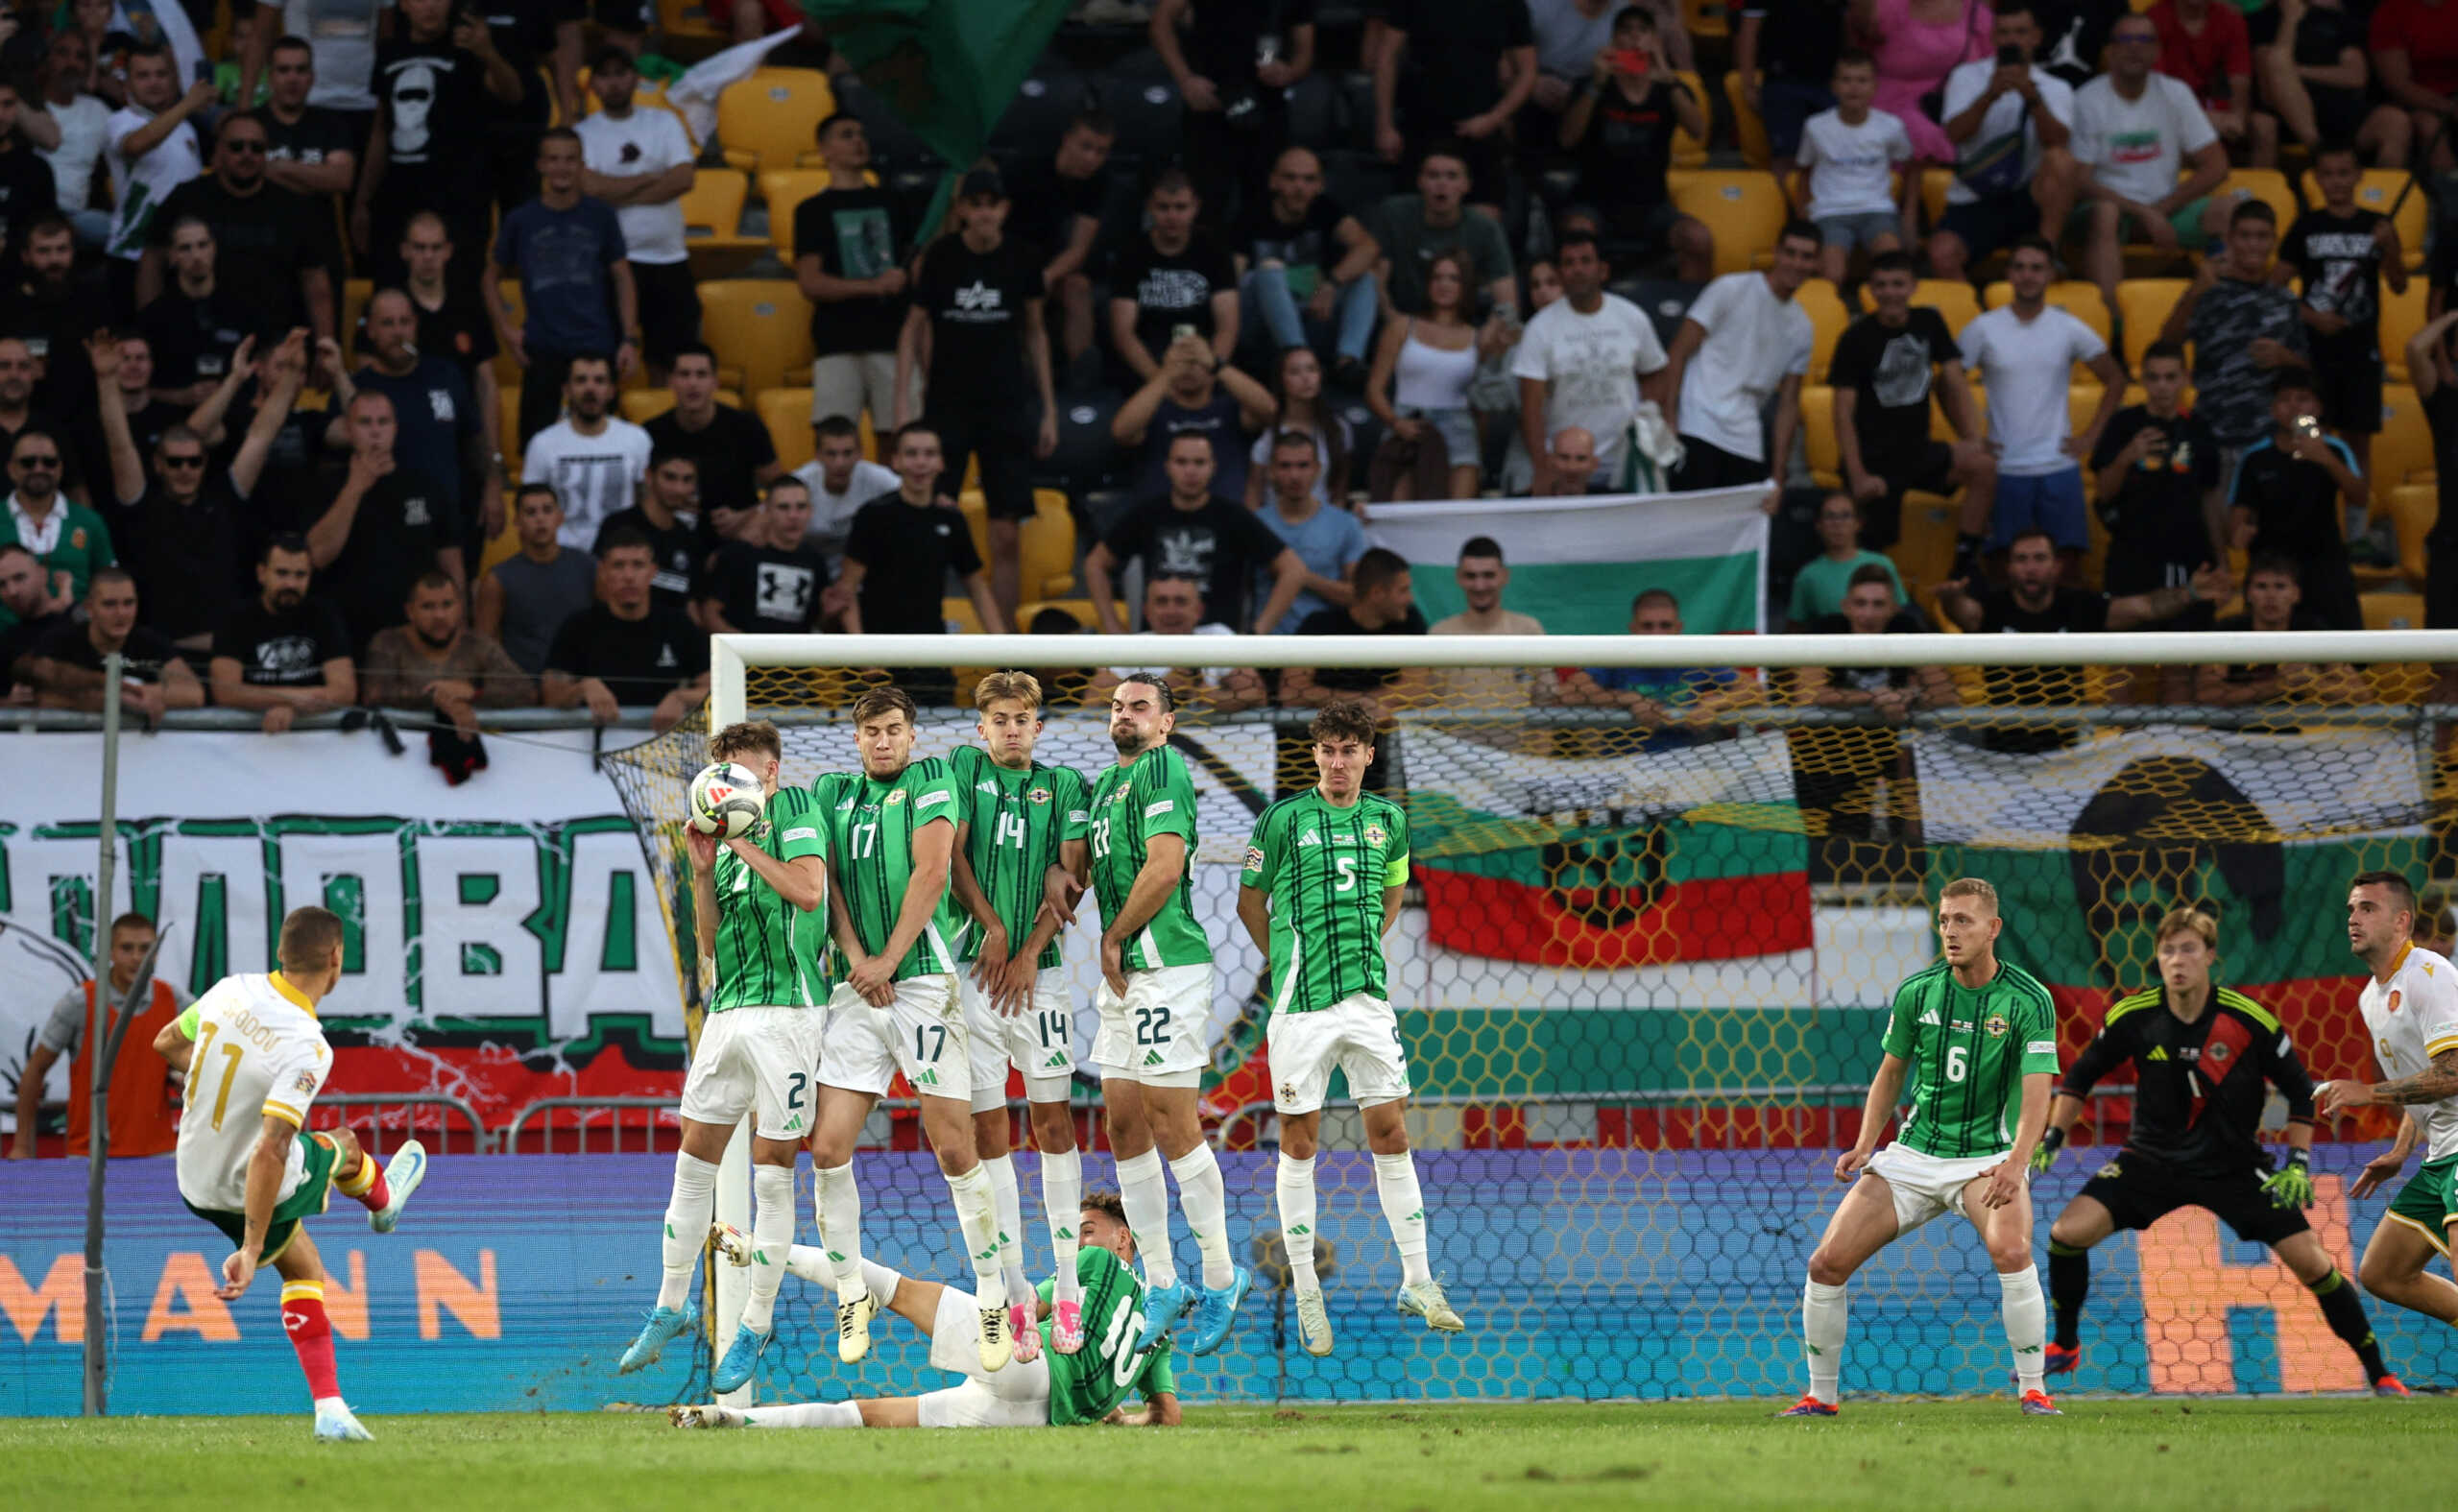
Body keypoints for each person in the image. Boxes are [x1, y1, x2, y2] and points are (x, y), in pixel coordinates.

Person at [2035, 905, 2402, 1392]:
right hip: (2151, 1162)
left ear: (2210, 955)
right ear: (2158, 959)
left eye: (2188, 949)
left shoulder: (2246, 1019)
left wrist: (2296, 1162)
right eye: (2168, 950)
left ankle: (2381, 1373)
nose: (2177, 959)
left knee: (2314, 1264)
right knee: (2065, 1233)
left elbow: (2298, 1092)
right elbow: (2079, 1077)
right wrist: (2055, 1136)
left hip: (2235, 1167)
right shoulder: (2135, 1015)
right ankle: (2066, 1343)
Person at [796, 685, 1021, 1371]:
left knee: (954, 1147)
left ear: (912, 735)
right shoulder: (832, 792)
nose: (884, 740)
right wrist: (860, 960)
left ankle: (991, 1296)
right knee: (828, 1144)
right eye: (872, 731)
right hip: (858, 986)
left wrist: (889, 957)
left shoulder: (932, 777)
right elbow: (825, 881)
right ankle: (850, 1289)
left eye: (894, 728)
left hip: (920, 983)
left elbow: (932, 870)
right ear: (857, 738)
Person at [1237, 699, 1463, 1358]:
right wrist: (1282, 960)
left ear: (1369, 755)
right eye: (1328, 750)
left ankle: (1418, 1279)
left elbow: (1393, 893)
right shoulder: (1283, 819)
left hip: (1366, 999)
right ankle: (1306, 1285)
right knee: (1300, 1142)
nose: (1338, 762)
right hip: (1299, 1006)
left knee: (1390, 1130)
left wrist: (1362, 942)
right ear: (1316, 755)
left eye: (1350, 750)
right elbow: (1251, 899)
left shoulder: (1389, 820)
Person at [1783, 877, 2060, 1417]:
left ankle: (2034, 1390)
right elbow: (1891, 1072)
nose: (1950, 932)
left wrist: (2016, 1163)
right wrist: (1866, 1144)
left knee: (2013, 1251)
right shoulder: (1919, 991)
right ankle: (1821, 1398)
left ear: (1993, 928)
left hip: (1984, 1159)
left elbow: (2037, 1094)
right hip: (1913, 1156)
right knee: (1826, 1263)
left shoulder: (2029, 999)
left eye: (1963, 921)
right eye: (1944, 920)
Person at [149, 905, 427, 1440]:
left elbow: (167, 1044)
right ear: (336, 959)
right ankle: (383, 1200)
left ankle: (331, 1409)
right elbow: (271, 1151)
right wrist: (251, 1248)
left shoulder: (230, 990)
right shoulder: (307, 1043)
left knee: (305, 1262)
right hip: (242, 1185)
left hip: (190, 1174)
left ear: (280, 951)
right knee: (342, 1147)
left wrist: (216, 1085)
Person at [616, 720, 827, 1387]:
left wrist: (739, 840)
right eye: (722, 773)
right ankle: (670, 1304)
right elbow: (708, 941)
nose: (729, 784)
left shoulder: (794, 810)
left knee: (771, 1171)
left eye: (742, 771)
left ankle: (756, 1324)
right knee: (692, 1159)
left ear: (771, 771)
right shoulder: (722, 842)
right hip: (728, 1009)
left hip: (790, 1013)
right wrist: (704, 871)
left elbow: (810, 891)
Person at [674, 1191, 1178, 1430]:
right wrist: (1115, 1414)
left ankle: (757, 1248)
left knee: (901, 1290)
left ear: (1123, 1237)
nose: (1079, 1237)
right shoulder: (1160, 1328)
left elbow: (1032, 1308)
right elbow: (1166, 1417)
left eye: (1089, 1228)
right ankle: (731, 1419)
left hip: (1029, 1370)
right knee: (871, 1417)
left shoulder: (1089, 1263)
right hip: (1039, 1419)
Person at [1083, 674, 1251, 1356]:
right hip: (1125, 978)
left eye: (1140, 706)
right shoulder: (1104, 787)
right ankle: (1161, 1279)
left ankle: (1219, 1275)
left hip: (1166, 966)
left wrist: (1114, 934)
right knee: (1122, 1121)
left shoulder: (1164, 769)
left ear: (1167, 722)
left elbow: (1164, 865)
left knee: (1170, 1118)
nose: (1126, 715)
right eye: (1118, 706)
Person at [942, 671, 1096, 1350]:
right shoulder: (963, 767)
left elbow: (1073, 877)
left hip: (1041, 980)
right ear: (982, 727)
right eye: (998, 718)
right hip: (973, 974)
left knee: (1053, 1122)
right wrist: (992, 930)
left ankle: (1066, 1287)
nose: (1010, 728)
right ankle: (1011, 1292)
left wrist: (1029, 948)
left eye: (1022, 718)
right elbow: (949, 857)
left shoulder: (1066, 786)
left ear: (1039, 726)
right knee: (986, 1131)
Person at [895, 168, 1056, 626]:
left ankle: (1004, 653)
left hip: (1006, 406)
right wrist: (904, 408)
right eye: (976, 204)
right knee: (931, 526)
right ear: (961, 209)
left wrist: (1049, 411)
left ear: (1004, 209)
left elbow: (1037, 334)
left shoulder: (1024, 257)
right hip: (947, 406)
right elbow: (911, 331)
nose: (985, 213)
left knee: (1005, 533)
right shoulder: (941, 257)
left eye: (993, 203)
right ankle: (922, 633)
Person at [2317, 874, 2458, 1341]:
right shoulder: (2369, 998)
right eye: (2351, 909)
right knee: (2383, 1272)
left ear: (2402, 920)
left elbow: (2454, 1073)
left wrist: (2369, 1093)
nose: (2353, 919)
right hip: (2442, 1152)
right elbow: (2423, 1078)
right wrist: (2401, 1150)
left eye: (2368, 909)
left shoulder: (2428, 974)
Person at [100, 331, 299, 652]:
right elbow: (119, 444)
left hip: (223, 652)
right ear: (158, 464)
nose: (185, 470)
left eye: (194, 461)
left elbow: (263, 433)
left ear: (205, 462)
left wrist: (291, 374)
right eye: (175, 462)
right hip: (160, 652)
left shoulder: (224, 498)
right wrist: (107, 379)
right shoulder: (142, 503)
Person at [1955, 236, 2123, 570]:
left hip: (2058, 466)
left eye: (2036, 268)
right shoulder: (1982, 329)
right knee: (2005, 570)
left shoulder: (2069, 328)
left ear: (2050, 275)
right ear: (2008, 274)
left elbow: (2116, 380)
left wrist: (2091, 437)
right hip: (2005, 469)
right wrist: (1971, 437)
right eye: (2019, 267)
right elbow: (1947, 382)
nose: (2027, 275)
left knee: (2068, 568)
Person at [1827, 251, 1990, 552]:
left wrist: (1973, 438)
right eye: (1882, 285)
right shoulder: (1854, 338)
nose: (1890, 292)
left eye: (1898, 284)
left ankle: (1963, 562)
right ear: (1870, 290)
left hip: (1919, 453)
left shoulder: (1929, 321)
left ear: (1913, 286)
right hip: (1874, 460)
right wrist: (1858, 474)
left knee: (1984, 465)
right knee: (1878, 550)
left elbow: (1954, 380)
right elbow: (1842, 413)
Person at [2070, 14, 2234, 313]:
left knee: (2230, 210)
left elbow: (2217, 165)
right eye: (2125, 40)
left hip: (2165, 209)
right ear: (2110, 51)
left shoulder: (2176, 93)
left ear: (2158, 51)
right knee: (2106, 214)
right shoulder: (2087, 99)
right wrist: (2142, 212)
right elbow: (2079, 181)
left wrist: (2161, 209)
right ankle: (2114, 326)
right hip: (2110, 212)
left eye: (2144, 40)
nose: (2135, 48)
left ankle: (2224, 310)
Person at [352, 0, 522, 288]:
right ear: (403, 5)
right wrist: (363, 200)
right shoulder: (389, 52)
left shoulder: (469, 47)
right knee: (392, 285)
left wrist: (489, 54)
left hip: (459, 197)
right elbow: (381, 129)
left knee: (460, 290)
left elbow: (513, 95)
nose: (429, 6)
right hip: (399, 194)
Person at [488, 129, 638, 447]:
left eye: (570, 159)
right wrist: (507, 329)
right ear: (540, 164)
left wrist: (628, 338)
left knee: (601, 443)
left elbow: (623, 277)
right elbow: (489, 277)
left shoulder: (601, 216)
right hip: (542, 347)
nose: (562, 167)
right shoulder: (521, 219)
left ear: (582, 164)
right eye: (553, 159)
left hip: (596, 344)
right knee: (535, 445)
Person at [835, 423, 1007, 697]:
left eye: (929, 454)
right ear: (896, 461)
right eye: (912, 453)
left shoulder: (951, 518)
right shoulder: (873, 515)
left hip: (931, 653)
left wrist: (1005, 653)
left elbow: (976, 585)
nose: (920, 462)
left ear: (940, 462)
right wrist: (865, 656)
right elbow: (847, 588)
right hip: (878, 656)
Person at [1082, 432, 1306, 637]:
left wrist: (1256, 634)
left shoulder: (1233, 515)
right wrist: (1113, 629)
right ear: (1168, 466)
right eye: (1181, 462)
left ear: (1213, 466)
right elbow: (1095, 564)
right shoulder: (1147, 513)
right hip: (1154, 648)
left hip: (1219, 651)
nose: (1190, 471)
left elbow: (1293, 569)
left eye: (1199, 462)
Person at [141, 113, 334, 345]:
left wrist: (325, 343)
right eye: (236, 147)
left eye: (257, 147)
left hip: (270, 346)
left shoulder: (294, 208)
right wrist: (147, 331)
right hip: (192, 339)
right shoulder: (185, 199)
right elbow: (152, 262)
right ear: (219, 152)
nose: (247, 154)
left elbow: (315, 282)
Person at [9, 912, 186, 1160]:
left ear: (156, 953)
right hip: (89, 1154)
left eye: (146, 949)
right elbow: (35, 1070)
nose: (137, 957)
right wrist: (22, 1144)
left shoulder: (174, 1000)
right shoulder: (80, 1002)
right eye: (127, 948)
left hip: (158, 1153)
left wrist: (182, 1071)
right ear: (110, 952)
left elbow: (214, 1046)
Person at [1926, 0, 2079, 286]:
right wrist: (1989, 96)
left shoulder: (2055, 88)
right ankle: (1976, 323)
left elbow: (2058, 142)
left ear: (2036, 37)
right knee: (1941, 255)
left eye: (2021, 32)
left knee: (2061, 161)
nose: (2012, 40)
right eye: (2005, 32)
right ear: (1994, 37)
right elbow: (1954, 135)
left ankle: (2045, 257)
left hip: (2028, 199)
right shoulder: (1967, 77)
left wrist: (2031, 96)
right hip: (1976, 197)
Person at [1554, 7, 1712, 283]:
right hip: (1595, 203)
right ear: (1613, 40)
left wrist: (1668, 77)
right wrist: (1596, 85)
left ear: (1655, 39)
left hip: (1651, 206)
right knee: (1577, 233)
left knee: (1698, 239)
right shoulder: (1591, 84)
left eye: (1643, 30)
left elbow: (1698, 131)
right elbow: (1568, 139)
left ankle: (1689, 317)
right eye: (1626, 30)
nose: (1635, 38)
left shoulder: (1668, 87)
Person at [2280, 142, 2407, 484]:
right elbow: (2273, 291)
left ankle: (2356, 527)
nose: (2336, 182)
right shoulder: (2306, 226)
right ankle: (2310, 517)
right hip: (2312, 358)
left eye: (2344, 173)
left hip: (2361, 356)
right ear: (2316, 179)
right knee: (2307, 438)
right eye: (2328, 174)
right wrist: (2312, 317)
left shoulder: (2377, 224)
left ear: (2359, 176)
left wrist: (2390, 246)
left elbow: (2399, 285)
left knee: (2357, 444)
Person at [1662, 222, 1819, 496]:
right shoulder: (1730, 288)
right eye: (1791, 253)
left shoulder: (1803, 327)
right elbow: (1678, 352)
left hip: (1746, 438)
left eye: (1806, 256)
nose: (1797, 263)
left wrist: (1778, 475)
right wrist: (1670, 418)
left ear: (1816, 263)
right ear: (1776, 253)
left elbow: (1789, 403)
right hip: (1697, 423)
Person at [1512, 231, 1670, 496]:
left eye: (1586, 261)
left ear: (1603, 270)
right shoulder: (1540, 328)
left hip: (1625, 460)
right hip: (1566, 464)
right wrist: (1543, 466)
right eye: (1569, 263)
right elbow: (1531, 405)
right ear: (1561, 273)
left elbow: (1654, 372)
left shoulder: (1632, 317)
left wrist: (1648, 422)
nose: (1578, 269)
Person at [573, 47, 696, 382]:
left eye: (621, 73)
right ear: (593, 84)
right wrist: (649, 177)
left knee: (670, 362)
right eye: (605, 74)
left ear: (635, 79)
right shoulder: (584, 133)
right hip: (612, 263)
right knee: (606, 363)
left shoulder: (664, 121)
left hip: (669, 259)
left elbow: (683, 178)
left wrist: (619, 191)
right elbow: (591, 189)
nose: (614, 83)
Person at [306, 391, 462, 653]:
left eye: (383, 422)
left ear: (395, 428)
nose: (376, 431)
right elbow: (317, 556)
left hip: (415, 635)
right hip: (345, 634)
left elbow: (451, 564)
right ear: (348, 430)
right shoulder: (323, 484)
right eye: (365, 423)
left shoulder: (426, 484)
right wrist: (355, 488)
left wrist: (459, 628)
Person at [2157, 200, 2307, 468]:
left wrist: (2285, 358)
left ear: (2274, 241)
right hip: (2212, 432)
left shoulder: (2285, 301)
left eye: (2261, 237)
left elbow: (2308, 369)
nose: (2253, 244)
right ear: (2229, 239)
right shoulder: (2208, 292)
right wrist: (2194, 292)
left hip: (2269, 438)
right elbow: (2167, 343)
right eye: (2245, 235)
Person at [349, 288, 495, 562]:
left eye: (405, 322)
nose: (398, 332)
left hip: (447, 525)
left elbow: (473, 437)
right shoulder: (358, 388)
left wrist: (493, 485)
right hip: (383, 527)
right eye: (387, 323)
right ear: (370, 331)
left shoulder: (445, 374)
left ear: (415, 325)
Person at [793, 111, 909, 435]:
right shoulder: (811, 211)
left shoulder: (894, 202)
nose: (859, 141)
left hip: (893, 341)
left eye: (861, 134)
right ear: (824, 149)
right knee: (834, 443)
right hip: (837, 342)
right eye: (846, 135)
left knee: (899, 439)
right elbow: (811, 282)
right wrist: (875, 287)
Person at [1152, 0, 1315, 229]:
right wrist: (1185, 79)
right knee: (1205, 207)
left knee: (1266, 205)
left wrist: (1289, 72)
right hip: (1210, 107)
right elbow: (1161, 22)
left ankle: (1263, 264)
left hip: (1266, 110)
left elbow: (1304, 53)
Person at [2224, 369, 2365, 630]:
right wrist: (2239, 532)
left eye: (2303, 398)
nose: (2294, 406)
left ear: (2318, 408)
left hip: (2325, 566)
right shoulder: (2255, 457)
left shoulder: (2335, 449)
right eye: (2285, 399)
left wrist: (2325, 459)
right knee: (2268, 659)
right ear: (2273, 409)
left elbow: (2359, 498)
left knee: (2341, 657)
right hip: (2272, 573)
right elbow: (2237, 519)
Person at [2090, 340, 2225, 612]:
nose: (2162, 386)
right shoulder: (2123, 424)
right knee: (2129, 647)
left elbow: (2210, 497)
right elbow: (2104, 492)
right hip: (2132, 553)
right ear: (2143, 380)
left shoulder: (2199, 428)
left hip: (2189, 553)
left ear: (2185, 379)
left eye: (2170, 377)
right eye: (2153, 377)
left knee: (2189, 646)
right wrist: (2127, 456)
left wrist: (2221, 559)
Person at [1372, 0, 1537, 215]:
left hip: (1481, 126)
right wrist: (1384, 125)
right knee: (1414, 220)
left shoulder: (1509, 4)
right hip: (1422, 123)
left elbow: (1527, 72)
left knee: (1485, 220)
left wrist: (1494, 118)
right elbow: (1387, 57)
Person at [1231, 146, 1380, 382]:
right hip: (1261, 327)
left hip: (1312, 314)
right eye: (1290, 178)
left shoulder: (1326, 210)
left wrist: (1332, 283)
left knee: (1366, 277)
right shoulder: (1250, 215)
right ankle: (1296, 360)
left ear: (1320, 185)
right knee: (1269, 268)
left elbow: (1368, 247)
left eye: (1309, 179)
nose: (1300, 187)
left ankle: (1348, 362)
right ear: (1273, 181)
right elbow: (1232, 282)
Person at [542, 529, 709, 732]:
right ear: (602, 571)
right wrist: (583, 688)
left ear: (652, 571)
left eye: (638, 565)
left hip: (664, 747)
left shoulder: (678, 624)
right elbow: (550, 694)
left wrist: (681, 698)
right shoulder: (579, 626)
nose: (628, 576)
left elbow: (716, 689)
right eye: (618, 566)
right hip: (592, 747)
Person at [1366, 249, 1487, 502]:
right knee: (1401, 514)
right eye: (1437, 277)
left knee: (1456, 520)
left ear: (1465, 286)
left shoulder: (1478, 337)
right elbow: (1374, 389)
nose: (1444, 284)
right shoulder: (1401, 327)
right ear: (1428, 284)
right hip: (1407, 423)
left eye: (1453, 278)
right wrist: (1395, 422)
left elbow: (1484, 398)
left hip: (1459, 428)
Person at [205, 534, 357, 733]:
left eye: (300, 575)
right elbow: (225, 692)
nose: (291, 584)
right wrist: (297, 700)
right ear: (261, 574)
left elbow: (345, 691)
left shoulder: (324, 616)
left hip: (314, 737)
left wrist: (290, 707)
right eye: (282, 573)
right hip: (247, 737)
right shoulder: (236, 618)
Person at [1557, 587, 1750, 740]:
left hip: (1690, 770)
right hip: (1623, 768)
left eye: (1665, 626)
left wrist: (1714, 704)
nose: (1656, 633)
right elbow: (1567, 694)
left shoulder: (1695, 658)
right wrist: (1628, 699)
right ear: (1633, 628)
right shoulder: (1617, 657)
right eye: (1647, 626)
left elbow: (1754, 690)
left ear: (1679, 628)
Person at [1002, 108, 1118, 365]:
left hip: (1049, 266)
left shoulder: (1099, 182)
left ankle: (1082, 375)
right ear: (1067, 140)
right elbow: (992, 223)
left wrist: (1046, 276)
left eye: (1101, 151)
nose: (1092, 158)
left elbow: (1079, 249)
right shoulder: (1024, 167)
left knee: (1078, 286)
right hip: (1007, 258)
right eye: (1086, 147)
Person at [102, 43, 211, 312]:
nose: (154, 82)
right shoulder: (121, 121)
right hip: (132, 252)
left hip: (182, 254)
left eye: (161, 74)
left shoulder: (186, 126)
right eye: (144, 75)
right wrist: (188, 103)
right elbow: (137, 145)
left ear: (173, 80)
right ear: (127, 85)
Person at [1790, 53, 1915, 285]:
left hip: (1878, 210)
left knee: (1892, 269)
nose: (1853, 88)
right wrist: (1803, 220)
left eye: (1861, 80)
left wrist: (1909, 217)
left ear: (1874, 86)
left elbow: (1911, 167)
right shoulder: (1816, 126)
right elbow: (1804, 172)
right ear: (1834, 86)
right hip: (1830, 212)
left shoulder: (1891, 126)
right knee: (1832, 275)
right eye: (1846, 80)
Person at [1112, 332, 1277, 505]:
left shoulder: (1230, 408)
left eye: (1196, 362)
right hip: (1162, 519)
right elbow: (1121, 432)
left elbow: (1271, 412)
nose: (1188, 369)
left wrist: (1218, 365)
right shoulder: (1152, 410)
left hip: (1226, 518)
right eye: (1182, 363)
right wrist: (1166, 374)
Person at [1107, 169, 1240, 385]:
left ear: (1195, 206)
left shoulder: (1215, 249)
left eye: (1180, 207)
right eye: (1163, 207)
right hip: (1148, 360)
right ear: (1150, 206)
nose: (1172, 216)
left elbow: (1228, 326)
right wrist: (1159, 384)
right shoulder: (1130, 253)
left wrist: (1209, 375)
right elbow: (1124, 334)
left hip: (1202, 356)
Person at [361, 569, 535, 731]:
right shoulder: (389, 642)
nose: (439, 616)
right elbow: (374, 694)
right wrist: (441, 696)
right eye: (428, 606)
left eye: (447, 605)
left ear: (460, 607)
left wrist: (474, 694)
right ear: (410, 611)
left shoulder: (477, 644)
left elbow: (525, 692)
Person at [28, 566, 206, 717]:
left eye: (129, 603)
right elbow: (40, 696)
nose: (121, 613)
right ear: (89, 609)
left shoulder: (149, 641)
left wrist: (139, 694)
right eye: (109, 604)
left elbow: (193, 692)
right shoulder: (61, 640)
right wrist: (119, 699)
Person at [2191, 554, 2366, 704]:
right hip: (2235, 732)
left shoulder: (2313, 631)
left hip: (2305, 732)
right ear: (2248, 595)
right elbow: (2207, 694)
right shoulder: (2228, 631)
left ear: (2296, 594)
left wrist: (2312, 682)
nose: (2271, 596)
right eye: (2261, 586)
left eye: (2280, 586)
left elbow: (2362, 694)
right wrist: (2278, 685)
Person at [1369, 147, 1519, 323]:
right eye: (1433, 175)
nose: (1442, 183)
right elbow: (1375, 279)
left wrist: (1494, 331)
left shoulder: (1485, 228)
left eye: (1452, 176)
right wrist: (1395, 324)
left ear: (1466, 185)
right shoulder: (1393, 213)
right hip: (1402, 321)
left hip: (1466, 328)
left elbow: (1507, 297)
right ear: (1420, 182)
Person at [1079, 573, 1266, 713]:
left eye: (1181, 602)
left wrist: (1206, 697)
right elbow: (1092, 701)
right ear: (1147, 611)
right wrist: (1160, 690)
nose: (1171, 611)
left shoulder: (1218, 637)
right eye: (1161, 602)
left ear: (1199, 610)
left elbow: (1257, 695)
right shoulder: (1130, 646)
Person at [644, 343, 780, 534]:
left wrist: (747, 516)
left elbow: (780, 489)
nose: (693, 383)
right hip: (671, 533)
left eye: (701, 375)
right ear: (670, 381)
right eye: (684, 375)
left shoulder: (747, 427)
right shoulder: (650, 433)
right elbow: (640, 496)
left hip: (737, 534)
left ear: (715, 382)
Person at [520, 352, 652, 549]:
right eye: (581, 380)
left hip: (621, 558)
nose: (590, 388)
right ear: (567, 390)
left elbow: (648, 501)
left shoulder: (637, 438)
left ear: (611, 390)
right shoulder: (542, 444)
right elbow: (529, 508)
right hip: (562, 559)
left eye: (599, 381)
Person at [1282, 548, 1431, 719]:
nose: (1410, 598)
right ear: (1377, 593)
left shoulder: (1410, 622)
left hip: (1386, 737)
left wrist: (1352, 702)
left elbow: (1415, 689)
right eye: (1403, 590)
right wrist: (1358, 702)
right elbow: (1291, 692)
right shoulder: (1319, 626)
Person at [1795, 562, 1958, 715]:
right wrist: (1875, 698)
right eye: (1860, 603)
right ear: (1845, 607)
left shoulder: (1906, 629)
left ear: (1893, 609)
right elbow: (1806, 696)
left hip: (1891, 740)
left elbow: (1946, 696)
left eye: (1878, 604)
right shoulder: (1827, 630)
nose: (1868, 614)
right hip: (1827, 740)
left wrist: (1912, 697)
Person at [2261, 0, 2413, 164]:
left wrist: (2296, 71)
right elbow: (2270, 74)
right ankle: (2318, 150)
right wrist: (2289, 21)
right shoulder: (2265, 19)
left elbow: (2356, 77)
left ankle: (2384, 188)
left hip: (2338, 107)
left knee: (2396, 122)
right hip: (2287, 114)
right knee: (2277, 62)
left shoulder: (2335, 19)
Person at [398, 211, 499, 444]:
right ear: (405, 251)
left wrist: (493, 456)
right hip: (406, 433)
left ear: (448, 251)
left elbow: (486, 384)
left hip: (462, 432)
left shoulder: (469, 307)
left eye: (435, 247)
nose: (428, 256)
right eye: (420, 247)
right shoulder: (389, 308)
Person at [477, 483, 596, 675]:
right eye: (531, 512)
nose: (540, 519)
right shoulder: (498, 579)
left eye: (547, 510)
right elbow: (485, 644)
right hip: (522, 691)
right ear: (517, 521)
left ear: (560, 517)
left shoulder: (589, 567)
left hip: (581, 686)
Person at [1255, 431, 1366, 634]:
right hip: (1265, 649)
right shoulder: (1256, 523)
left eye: (1303, 465)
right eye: (1285, 466)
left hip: (1322, 649)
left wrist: (1298, 576)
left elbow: (1358, 596)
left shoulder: (1345, 524)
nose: (1294, 475)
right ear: (1271, 471)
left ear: (1318, 469)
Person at [135, 217, 254, 404]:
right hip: (173, 419)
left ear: (214, 248)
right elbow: (136, 388)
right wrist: (180, 396)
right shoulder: (154, 317)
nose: (196, 255)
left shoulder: (244, 310)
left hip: (236, 416)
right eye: (185, 248)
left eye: (202, 245)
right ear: (172, 256)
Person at [1736, 0, 1852, 184]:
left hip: (1828, 82)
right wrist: (1748, 84)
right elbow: (1749, 32)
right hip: (1782, 81)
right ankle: (1785, 211)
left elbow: (1849, 28)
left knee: (1832, 154)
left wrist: (1847, 77)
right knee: (1785, 157)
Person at [1427, 536, 1549, 709]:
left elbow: (1546, 698)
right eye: (1471, 576)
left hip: (1517, 737)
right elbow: (1428, 702)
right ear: (1459, 577)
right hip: (1451, 737)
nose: (1480, 585)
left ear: (1504, 576)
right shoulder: (1439, 634)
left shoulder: (1528, 630)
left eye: (1488, 575)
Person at [700, 477, 829, 636]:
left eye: (801, 507)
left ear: (811, 511)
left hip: (795, 658)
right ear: (767, 511)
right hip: (746, 656)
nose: (793, 515)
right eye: (783, 507)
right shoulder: (738, 554)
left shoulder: (816, 561)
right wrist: (744, 649)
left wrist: (830, 612)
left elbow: (817, 622)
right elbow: (710, 612)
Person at [1, 425, 113, 603]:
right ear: (11, 469)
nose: (39, 469)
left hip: (76, 628)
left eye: (49, 462)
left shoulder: (90, 522)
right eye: (28, 462)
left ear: (60, 469)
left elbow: (110, 586)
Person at [253, 35, 358, 221]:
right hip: (261, 231)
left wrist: (280, 167)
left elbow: (342, 179)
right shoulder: (250, 124)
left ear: (312, 77)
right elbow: (235, 172)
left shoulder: (332, 125)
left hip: (317, 235)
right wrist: (315, 179)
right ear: (270, 77)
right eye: (283, 70)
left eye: (301, 70)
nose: (293, 78)